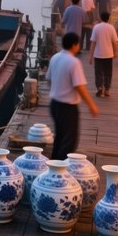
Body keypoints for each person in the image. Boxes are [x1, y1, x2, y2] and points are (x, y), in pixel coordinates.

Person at [45, 31, 99, 159]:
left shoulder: (55, 57)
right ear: (75, 45)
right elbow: (79, 86)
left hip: (54, 104)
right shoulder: (73, 62)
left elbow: (48, 79)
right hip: (67, 107)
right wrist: (91, 105)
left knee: (60, 137)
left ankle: (54, 164)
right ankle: (61, 168)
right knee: (69, 141)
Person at [89, 11, 118, 97]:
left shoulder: (96, 27)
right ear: (108, 18)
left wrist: (90, 56)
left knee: (98, 72)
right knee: (108, 72)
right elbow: (114, 42)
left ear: (100, 18)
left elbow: (93, 43)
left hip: (98, 54)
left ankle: (99, 88)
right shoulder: (111, 27)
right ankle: (107, 89)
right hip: (108, 54)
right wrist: (115, 52)